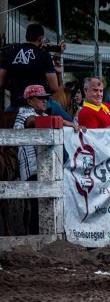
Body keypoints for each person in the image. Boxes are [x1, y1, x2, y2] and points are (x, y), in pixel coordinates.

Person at [15, 85, 83, 233]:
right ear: (30, 100)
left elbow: (49, 120)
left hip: (45, 167)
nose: (45, 101)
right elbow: (31, 121)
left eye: (45, 98)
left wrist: (70, 123)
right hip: (31, 167)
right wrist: (62, 121)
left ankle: (44, 236)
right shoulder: (24, 113)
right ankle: (36, 237)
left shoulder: (44, 116)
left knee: (43, 203)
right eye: (41, 99)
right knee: (35, 206)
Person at [0, 23, 64, 113]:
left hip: (15, 105)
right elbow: (54, 88)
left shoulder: (9, 53)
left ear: (26, 36)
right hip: (38, 106)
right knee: (70, 122)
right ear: (40, 39)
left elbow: (1, 82)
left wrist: (15, 88)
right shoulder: (44, 56)